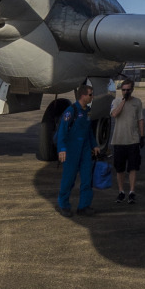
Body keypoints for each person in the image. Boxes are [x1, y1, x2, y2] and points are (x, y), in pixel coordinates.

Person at [56, 80, 95, 216]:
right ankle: (64, 204)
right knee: (69, 178)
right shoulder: (71, 111)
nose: (92, 97)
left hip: (85, 149)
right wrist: (62, 149)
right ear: (83, 96)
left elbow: (89, 130)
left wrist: (94, 145)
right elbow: (62, 130)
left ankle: (83, 206)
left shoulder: (88, 112)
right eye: (90, 95)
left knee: (86, 178)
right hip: (71, 150)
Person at [109, 75, 145, 205]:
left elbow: (140, 119)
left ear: (132, 89)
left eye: (128, 90)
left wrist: (142, 135)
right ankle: (121, 191)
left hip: (133, 140)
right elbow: (114, 114)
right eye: (123, 90)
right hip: (119, 140)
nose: (125, 92)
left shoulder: (137, 102)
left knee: (133, 167)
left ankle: (131, 192)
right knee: (120, 169)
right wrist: (123, 101)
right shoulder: (117, 101)